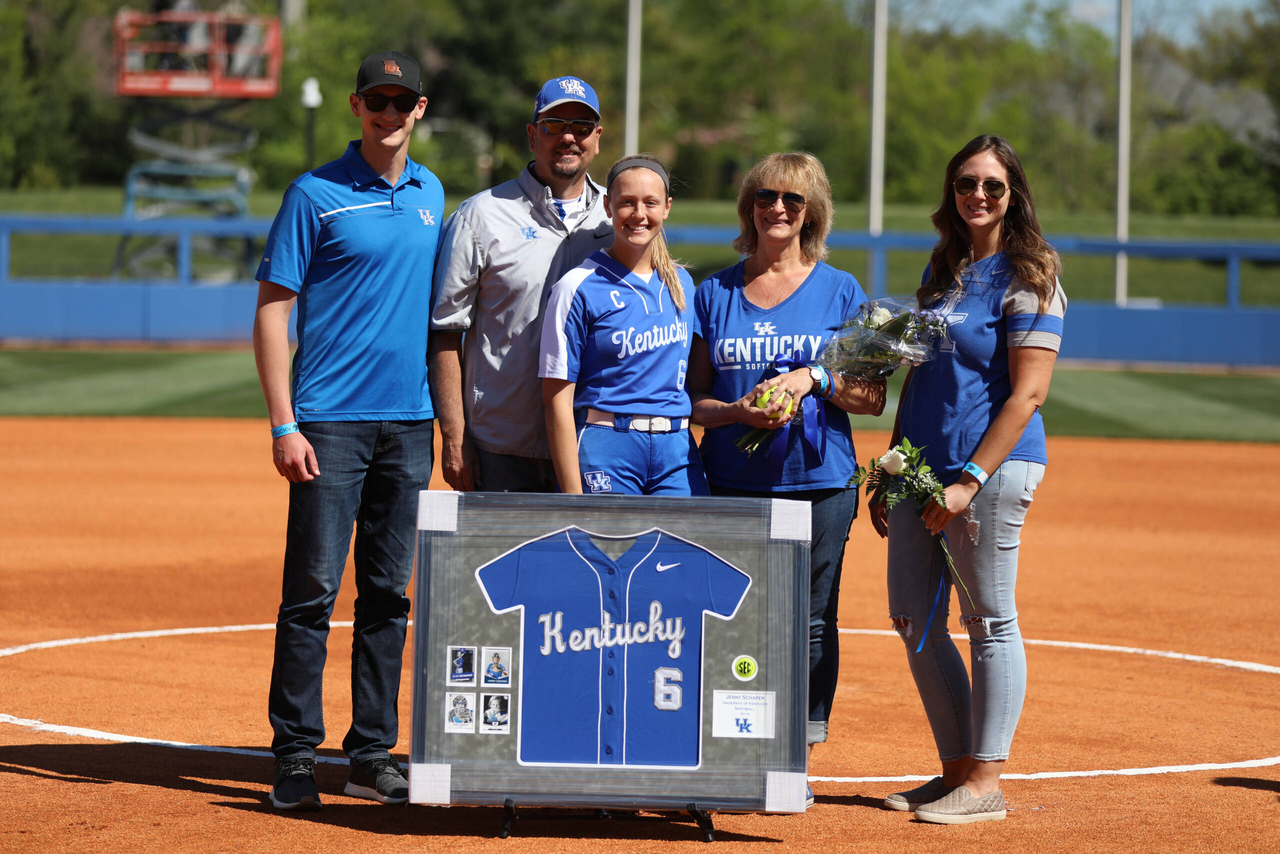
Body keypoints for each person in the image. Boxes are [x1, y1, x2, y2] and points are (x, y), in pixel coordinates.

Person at [252, 50, 442, 811]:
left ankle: (370, 752)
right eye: (377, 101)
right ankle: (296, 756)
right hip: (329, 422)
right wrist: (283, 423)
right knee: (311, 593)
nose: (389, 114)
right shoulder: (314, 193)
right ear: (356, 105)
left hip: (411, 421)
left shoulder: (432, 194)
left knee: (388, 596)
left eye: (403, 102)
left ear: (420, 110)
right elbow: (272, 311)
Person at [873, 134, 1066, 824]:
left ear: (1013, 193)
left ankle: (986, 781)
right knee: (911, 617)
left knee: (987, 619)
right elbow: (921, 384)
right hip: (920, 472)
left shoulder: (1029, 276)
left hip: (987, 473)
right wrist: (891, 469)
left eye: (991, 184)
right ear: (950, 195)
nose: (977, 196)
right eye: (964, 184)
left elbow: (1028, 395)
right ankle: (955, 770)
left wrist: (971, 481)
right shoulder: (946, 273)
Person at [687, 152, 887, 794]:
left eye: (793, 200)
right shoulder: (712, 292)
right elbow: (689, 399)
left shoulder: (841, 291)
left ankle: (790, 753)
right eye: (766, 196)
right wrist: (737, 411)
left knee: (809, 616)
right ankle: (725, 746)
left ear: (812, 212)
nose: (778, 208)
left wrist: (815, 378)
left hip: (818, 481)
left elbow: (870, 396)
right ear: (749, 205)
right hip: (729, 482)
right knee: (729, 615)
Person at [429, 76, 613, 493]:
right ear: (532, 136)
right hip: (502, 448)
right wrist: (455, 437)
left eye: (582, 128)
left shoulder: (618, 219)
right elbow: (444, 333)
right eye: (553, 125)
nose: (569, 137)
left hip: (595, 445)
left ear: (597, 139)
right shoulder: (481, 216)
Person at [540, 154, 706, 495]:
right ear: (607, 205)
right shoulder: (577, 287)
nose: (639, 214)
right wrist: (573, 498)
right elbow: (555, 401)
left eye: (651, 203)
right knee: (610, 549)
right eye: (627, 203)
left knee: (682, 549)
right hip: (607, 445)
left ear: (667, 207)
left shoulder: (683, 284)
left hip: (676, 449)